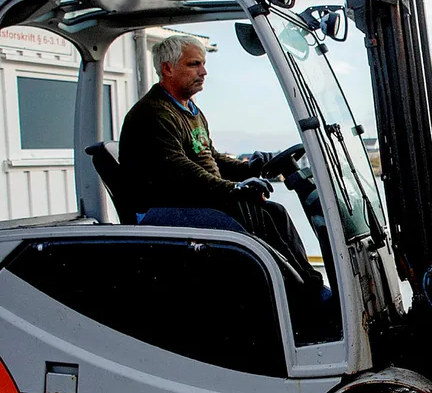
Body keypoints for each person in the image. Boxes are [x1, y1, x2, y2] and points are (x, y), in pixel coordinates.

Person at [118, 35, 322, 291]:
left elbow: (209, 156)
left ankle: (306, 285)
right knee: (255, 215)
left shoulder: (189, 109)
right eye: (194, 64)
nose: (203, 72)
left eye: (203, 64)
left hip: (194, 200)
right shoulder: (153, 114)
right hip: (165, 209)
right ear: (167, 68)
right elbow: (179, 169)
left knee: (275, 212)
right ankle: (297, 293)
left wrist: (249, 168)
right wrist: (233, 190)